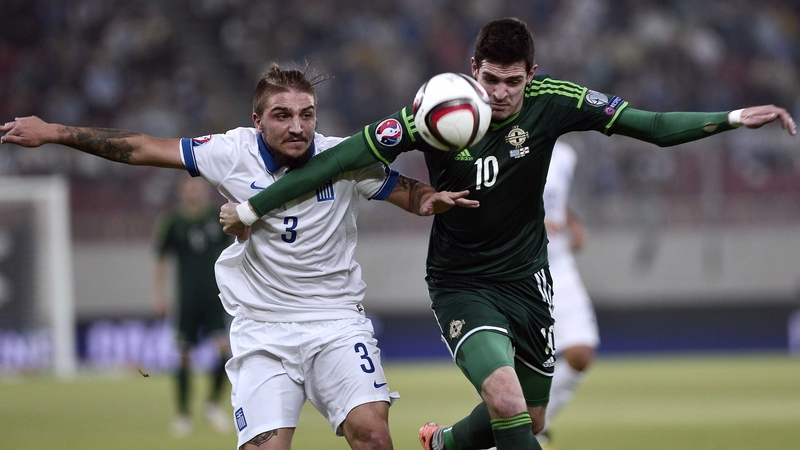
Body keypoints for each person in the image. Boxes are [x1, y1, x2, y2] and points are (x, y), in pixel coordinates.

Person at [216, 17, 796, 450]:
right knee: (505, 397)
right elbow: (336, 161)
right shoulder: (434, 110)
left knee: (529, 418)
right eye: (489, 79)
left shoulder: (555, 102)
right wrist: (251, 208)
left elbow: (653, 126)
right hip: (461, 282)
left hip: (527, 281)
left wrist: (733, 118)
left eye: (511, 82)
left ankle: (444, 444)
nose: (497, 93)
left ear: (530, 76)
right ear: (474, 69)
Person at [0, 63, 478, 450]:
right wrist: (55, 132)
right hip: (263, 331)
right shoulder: (229, 153)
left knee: (373, 435)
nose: (298, 127)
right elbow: (143, 148)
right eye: (282, 116)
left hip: (336, 321)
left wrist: (428, 199)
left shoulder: (343, 157)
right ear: (257, 120)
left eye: (307, 115)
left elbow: (408, 192)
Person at [153, 174, 233, 437]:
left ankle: (213, 405)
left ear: (205, 191)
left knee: (225, 350)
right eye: (190, 188)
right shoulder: (172, 222)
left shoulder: (218, 217)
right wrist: (159, 295)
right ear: (182, 191)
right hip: (186, 299)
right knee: (183, 355)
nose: (194, 192)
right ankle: (184, 415)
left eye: (198, 188)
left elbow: (235, 252)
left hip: (215, 298)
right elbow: (161, 260)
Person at [537, 140, 598, 449]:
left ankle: (537, 421)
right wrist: (532, 220)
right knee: (514, 364)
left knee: (581, 352)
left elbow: (554, 199)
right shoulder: (500, 141)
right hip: (515, 265)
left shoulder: (564, 154)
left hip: (558, 261)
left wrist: (572, 222)